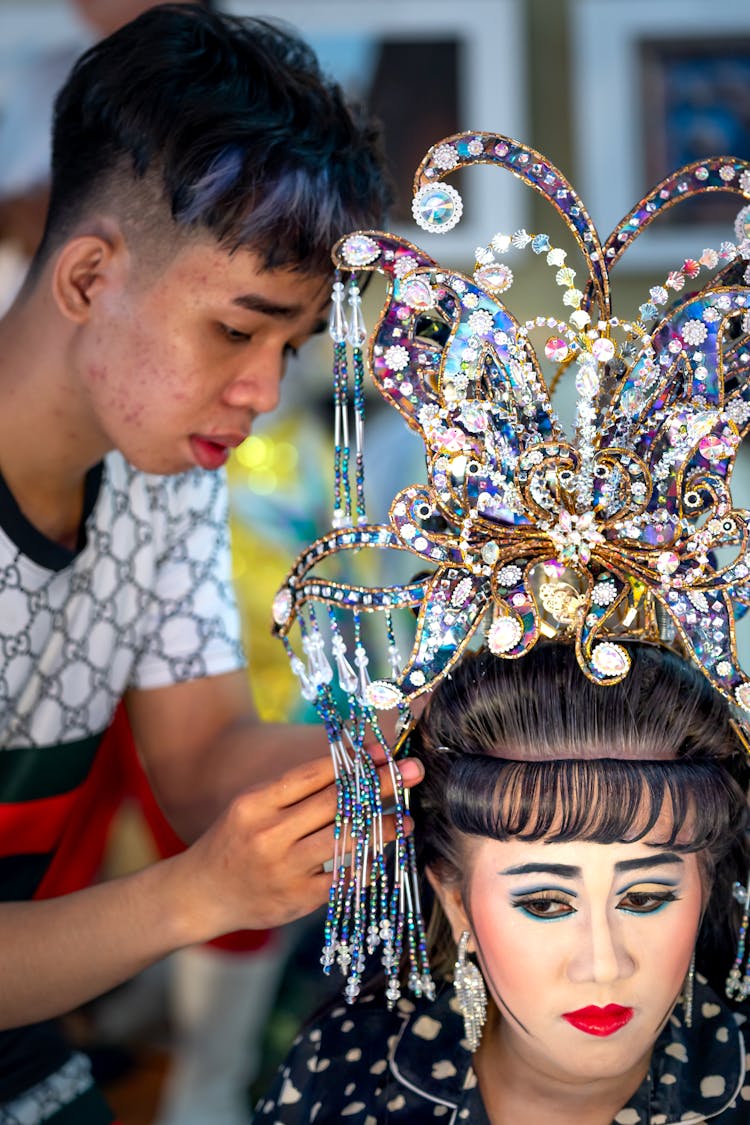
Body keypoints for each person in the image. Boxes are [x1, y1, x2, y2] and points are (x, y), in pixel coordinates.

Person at [0, 5, 426, 1121]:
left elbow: (204, 757)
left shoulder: (160, 478)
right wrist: (197, 896)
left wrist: (424, 748)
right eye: (238, 331)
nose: (263, 393)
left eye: (290, 348)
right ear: (89, 278)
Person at [259, 641, 750, 1123]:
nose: (603, 966)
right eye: (544, 904)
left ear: (704, 891)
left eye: (643, 898)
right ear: (455, 902)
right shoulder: (347, 1069)